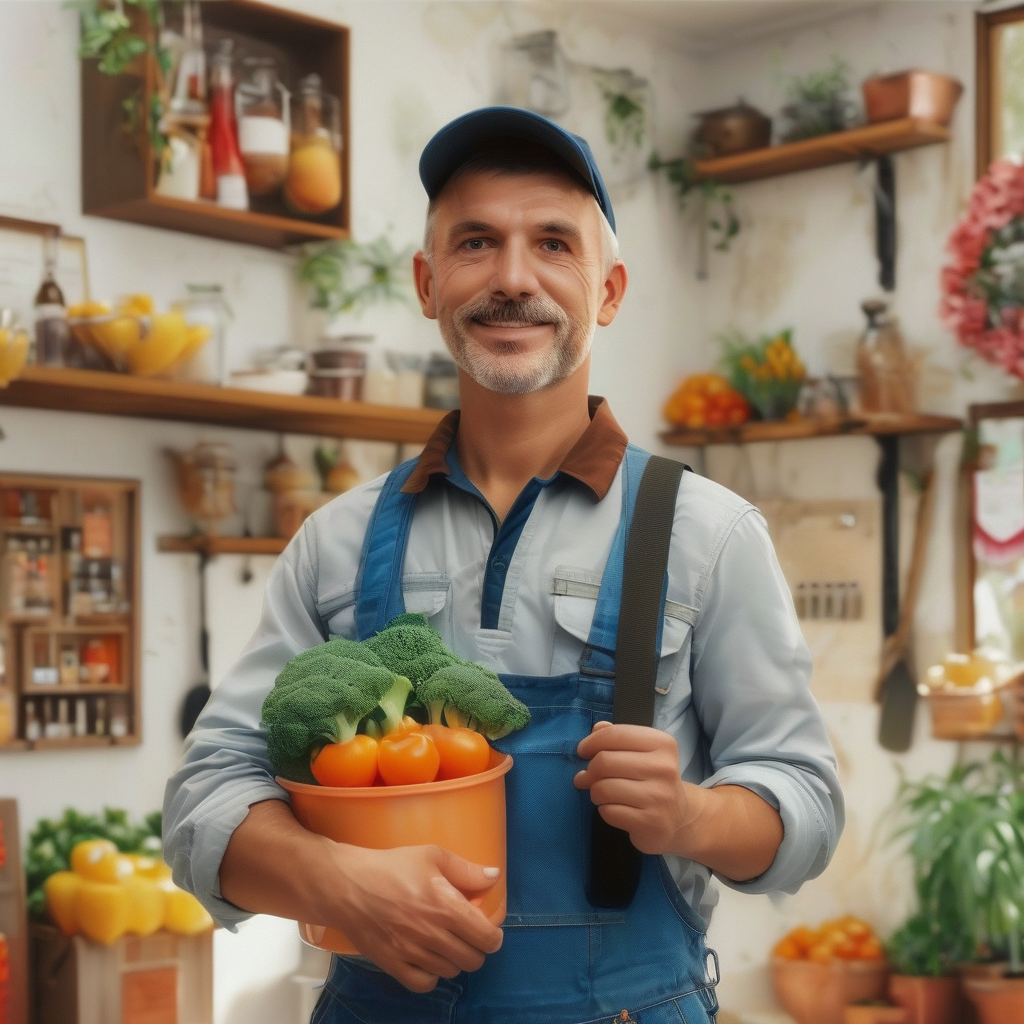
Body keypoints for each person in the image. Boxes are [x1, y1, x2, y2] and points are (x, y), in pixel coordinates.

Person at [164, 107, 843, 1024]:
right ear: (428, 280)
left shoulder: (708, 535)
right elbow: (206, 795)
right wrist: (337, 883)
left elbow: (804, 801)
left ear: (607, 290)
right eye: (476, 242)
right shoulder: (334, 540)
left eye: (554, 244)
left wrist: (691, 816)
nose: (513, 278)